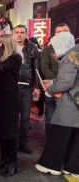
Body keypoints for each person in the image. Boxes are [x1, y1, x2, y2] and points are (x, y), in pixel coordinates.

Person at [35, 42, 78, 178]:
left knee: (59, 136)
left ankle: (50, 165)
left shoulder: (71, 54)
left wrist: (50, 90)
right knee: (76, 139)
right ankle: (73, 168)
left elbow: (66, 82)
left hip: (69, 104)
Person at [0, 34, 22, 176]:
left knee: (10, 132)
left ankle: (13, 162)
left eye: (1, 45)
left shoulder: (15, 57)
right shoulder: (2, 58)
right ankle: (4, 158)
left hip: (9, 99)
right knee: (1, 131)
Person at [13, 25, 41, 154]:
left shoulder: (32, 48)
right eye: (17, 32)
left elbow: (36, 69)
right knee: (12, 117)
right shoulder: (9, 47)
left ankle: (23, 143)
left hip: (27, 86)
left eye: (22, 32)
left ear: (26, 34)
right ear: (13, 34)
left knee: (25, 117)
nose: (19, 35)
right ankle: (12, 142)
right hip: (11, 86)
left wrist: (38, 87)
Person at [40, 23, 71, 137]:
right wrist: (59, 83)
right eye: (59, 32)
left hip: (70, 90)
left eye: (65, 31)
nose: (63, 34)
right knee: (51, 116)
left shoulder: (74, 49)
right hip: (53, 89)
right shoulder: (48, 50)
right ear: (54, 34)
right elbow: (45, 68)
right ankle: (51, 143)